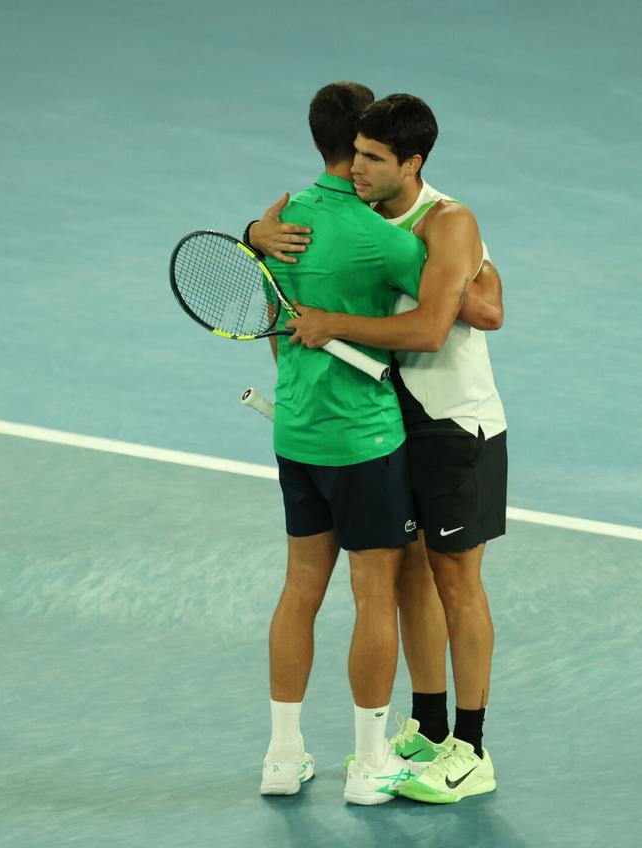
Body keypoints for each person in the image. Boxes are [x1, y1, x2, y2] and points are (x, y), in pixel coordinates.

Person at [259, 93, 507, 804]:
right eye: (356, 154)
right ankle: (427, 729)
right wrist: (254, 234)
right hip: (394, 421)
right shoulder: (362, 215)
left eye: (372, 159)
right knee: (407, 582)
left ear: (411, 162)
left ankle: (472, 746)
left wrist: (330, 319)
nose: (356, 169)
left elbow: (474, 316)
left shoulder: (447, 221)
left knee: (456, 582)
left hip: (456, 423)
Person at [252, 81, 427, 806]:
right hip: (365, 439)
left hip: (294, 431)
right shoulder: (381, 237)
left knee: (300, 590)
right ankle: (367, 764)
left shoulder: (279, 220)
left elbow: (271, 323)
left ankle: (282, 756)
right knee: (374, 596)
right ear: (360, 149)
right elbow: (458, 306)